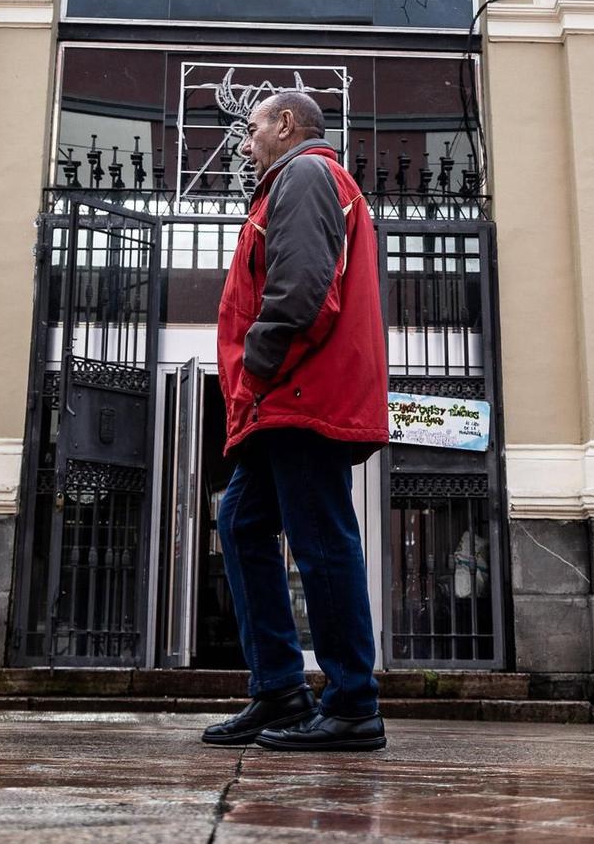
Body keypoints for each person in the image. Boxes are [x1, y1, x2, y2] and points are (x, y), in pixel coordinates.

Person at [199, 89, 389, 753]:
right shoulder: (300, 181)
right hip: (289, 397)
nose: (245, 146)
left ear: (286, 123)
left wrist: (254, 364)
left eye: (251, 131)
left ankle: (351, 704)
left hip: (301, 395)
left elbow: (303, 289)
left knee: (322, 540)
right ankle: (280, 688)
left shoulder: (306, 173)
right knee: (242, 522)